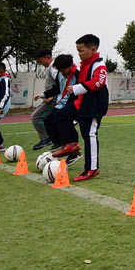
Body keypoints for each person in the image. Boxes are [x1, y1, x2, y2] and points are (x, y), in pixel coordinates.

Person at [52, 34, 108, 182]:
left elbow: (99, 82)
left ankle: (92, 169)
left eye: (81, 51)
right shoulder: (85, 64)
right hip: (82, 103)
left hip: (94, 106)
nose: (79, 54)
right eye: (78, 51)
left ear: (93, 49)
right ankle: (72, 144)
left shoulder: (99, 65)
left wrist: (78, 88)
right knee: (59, 117)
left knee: (89, 135)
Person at [42, 54, 81, 165]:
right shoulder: (59, 73)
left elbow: (81, 90)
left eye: (63, 69)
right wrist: (44, 94)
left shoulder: (78, 74)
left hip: (73, 103)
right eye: (59, 70)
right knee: (47, 120)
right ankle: (59, 143)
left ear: (70, 66)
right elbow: (58, 88)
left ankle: (74, 149)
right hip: (61, 103)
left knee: (61, 120)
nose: (61, 72)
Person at [31, 49, 58, 150]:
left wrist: (50, 96)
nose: (41, 64)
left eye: (41, 61)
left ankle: (47, 138)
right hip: (50, 97)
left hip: (53, 99)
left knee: (36, 117)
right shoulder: (51, 68)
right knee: (49, 119)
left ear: (48, 57)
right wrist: (44, 95)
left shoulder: (54, 68)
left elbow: (59, 83)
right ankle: (51, 138)